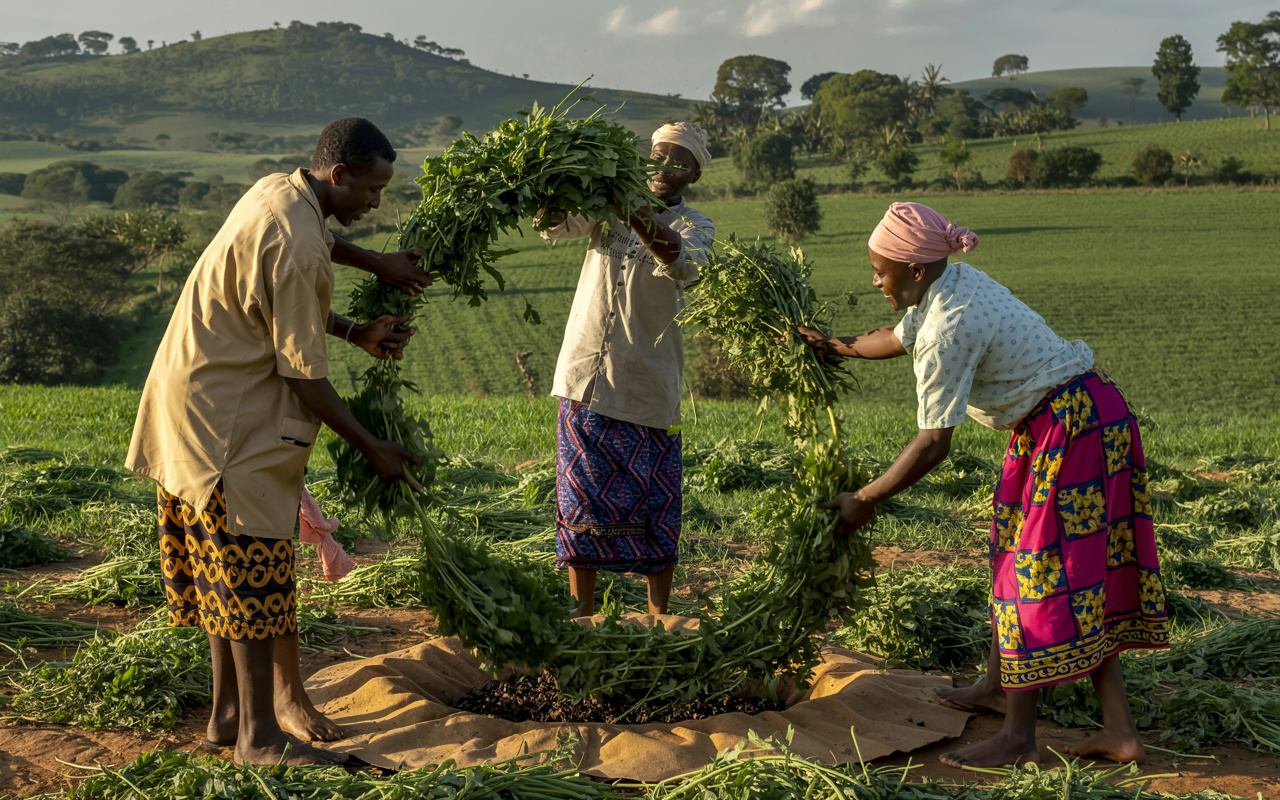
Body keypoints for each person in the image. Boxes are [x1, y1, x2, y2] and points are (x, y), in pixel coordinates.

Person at [798, 202, 1169, 769]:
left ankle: (1022, 736)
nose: (874, 280)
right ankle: (1011, 691)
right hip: (1063, 424)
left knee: (1040, 578)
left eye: (881, 270)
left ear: (916, 270)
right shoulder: (948, 280)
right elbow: (899, 337)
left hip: (1075, 432)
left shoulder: (952, 324)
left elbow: (931, 444)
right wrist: (834, 345)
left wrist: (864, 499)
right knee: (1033, 565)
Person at [126, 117, 428, 766]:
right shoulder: (296, 246)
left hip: (196, 401)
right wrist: (373, 445)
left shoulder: (280, 191)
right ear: (338, 175)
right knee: (250, 580)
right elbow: (303, 378)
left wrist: (363, 297)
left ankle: (226, 721)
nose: (376, 204)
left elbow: (311, 251)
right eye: (371, 192)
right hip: (225, 423)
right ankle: (260, 741)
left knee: (224, 573)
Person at [539, 122, 714, 618]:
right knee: (581, 498)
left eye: (680, 163)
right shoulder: (604, 209)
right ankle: (582, 611)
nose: (666, 169)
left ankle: (661, 613)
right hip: (584, 374)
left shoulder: (696, 227)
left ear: (694, 174)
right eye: (659, 157)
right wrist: (554, 175)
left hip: (646, 385)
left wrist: (633, 212)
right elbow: (554, 223)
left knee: (655, 501)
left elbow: (682, 262)